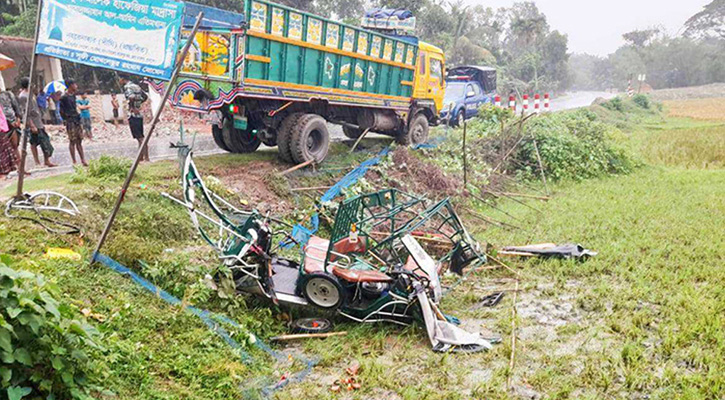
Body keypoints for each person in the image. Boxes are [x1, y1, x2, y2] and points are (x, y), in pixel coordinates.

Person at [18, 77, 57, 168]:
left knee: (44, 141)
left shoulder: (31, 94)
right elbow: (26, 112)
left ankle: (46, 160)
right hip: (32, 122)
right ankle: (37, 162)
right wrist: (31, 125)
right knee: (34, 142)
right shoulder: (23, 96)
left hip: (38, 121)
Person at [119, 75, 149, 162]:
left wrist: (133, 107)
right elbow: (145, 97)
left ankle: (146, 157)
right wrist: (138, 104)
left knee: (140, 138)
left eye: (120, 79)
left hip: (133, 114)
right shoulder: (137, 86)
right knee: (140, 137)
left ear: (123, 79)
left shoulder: (127, 87)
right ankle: (141, 157)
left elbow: (131, 97)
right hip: (139, 114)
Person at [59, 79, 88, 166]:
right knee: (72, 141)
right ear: (70, 85)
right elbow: (61, 111)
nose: (76, 86)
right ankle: (74, 161)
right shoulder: (64, 97)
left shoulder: (73, 96)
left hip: (76, 120)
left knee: (79, 140)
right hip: (70, 120)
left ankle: (83, 160)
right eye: (75, 84)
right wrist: (66, 119)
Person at [0, 89, 21, 166]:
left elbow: (15, 106)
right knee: (4, 149)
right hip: (4, 125)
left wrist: (18, 118)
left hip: (13, 123)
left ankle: (20, 167)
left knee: (15, 145)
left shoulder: (8, 94)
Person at [0, 105, 17, 178]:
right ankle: (2, 172)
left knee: (5, 150)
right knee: (2, 152)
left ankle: (5, 171)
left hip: (2, 129)